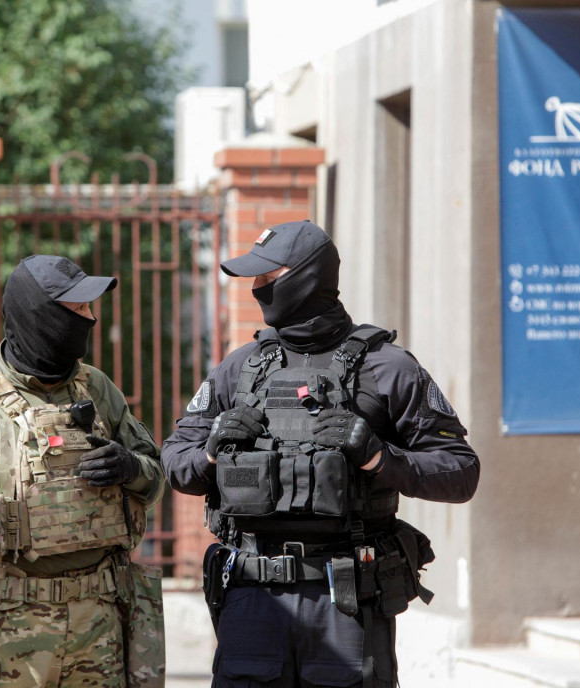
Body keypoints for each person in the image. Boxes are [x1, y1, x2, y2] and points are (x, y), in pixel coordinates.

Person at [162, 220, 480, 688]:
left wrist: (380, 457)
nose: (256, 289)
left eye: (268, 278)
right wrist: (210, 453)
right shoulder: (240, 369)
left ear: (308, 276)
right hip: (252, 600)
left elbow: (461, 471)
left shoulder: (388, 368)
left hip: (346, 600)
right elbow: (175, 462)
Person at [0, 255, 167, 688]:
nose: (89, 319)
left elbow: (155, 479)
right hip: (8, 631)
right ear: (37, 313)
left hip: (99, 624)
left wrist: (130, 468)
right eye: (75, 310)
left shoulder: (97, 388)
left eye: (89, 309)